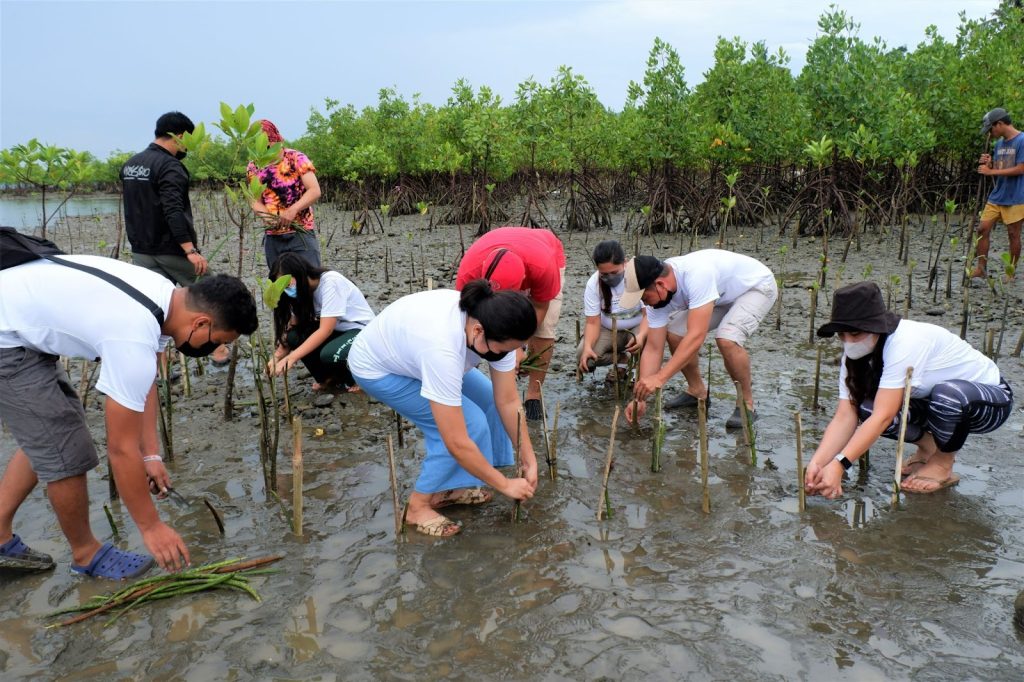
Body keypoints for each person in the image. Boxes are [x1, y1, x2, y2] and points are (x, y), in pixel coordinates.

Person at [0, 255, 258, 577]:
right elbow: (120, 449)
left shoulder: (166, 298)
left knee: (51, 430)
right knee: (65, 450)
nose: (212, 349)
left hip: (19, 319)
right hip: (6, 335)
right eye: (218, 342)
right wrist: (151, 527)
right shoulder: (133, 332)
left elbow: (144, 381)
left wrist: (150, 454)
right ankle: (86, 555)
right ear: (201, 323)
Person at [347, 280, 539, 537]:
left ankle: (457, 485)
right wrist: (504, 484)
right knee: (469, 425)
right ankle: (417, 506)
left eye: (517, 349)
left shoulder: (495, 327)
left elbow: (507, 401)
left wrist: (528, 457)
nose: (513, 355)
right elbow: (456, 440)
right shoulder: (442, 348)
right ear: (478, 331)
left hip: (413, 356)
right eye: (506, 350)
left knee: (490, 404)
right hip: (377, 368)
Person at [805, 282, 1013, 497]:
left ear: (876, 326)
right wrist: (819, 462)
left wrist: (840, 465)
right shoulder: (855, 355)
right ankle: (929, 446)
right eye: (842, 335)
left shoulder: (906, 342)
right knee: (866, 409)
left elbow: (884, 417)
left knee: (948, 396)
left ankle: (943, 463)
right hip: (931, 404)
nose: (848, 342)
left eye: (855, 334)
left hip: (987, 404)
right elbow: (844, 416)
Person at [121, 111, 231, 366]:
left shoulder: (131, 164)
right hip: (170, 248)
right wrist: (189, 249)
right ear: (180, 136)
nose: (188, 149)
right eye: (188, 142)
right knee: (212, 290)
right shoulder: (171, 167)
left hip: (140, 248)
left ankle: (154, 364)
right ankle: (217, 349)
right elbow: (173, 210)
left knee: (155, 306)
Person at [621, 250, 777, 428]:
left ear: (660, 284)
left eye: (644, 297)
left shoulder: (696, 275)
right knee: (674, 333)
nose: (645, 303)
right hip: (721, 295)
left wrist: (660, 378)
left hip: (755, 287)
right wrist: (640, 398)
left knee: (726, 338)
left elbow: (696, 336)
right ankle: (697, 391)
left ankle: (746, 404)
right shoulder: (657, 297)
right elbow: (654, 348)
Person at [455, 226, 566, 420]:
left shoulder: (543, 268)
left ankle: (534, 395)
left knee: (545, 329)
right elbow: (467, 320)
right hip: (507, 255)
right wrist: (510, 350)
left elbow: (540, 308)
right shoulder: (469, 273)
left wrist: (519, 344)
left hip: (546, 254)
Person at [267, 252, 375, 391]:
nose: (287, 290)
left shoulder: (330, 282)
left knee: (330, 354)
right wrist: (276, 358)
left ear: (300, 273)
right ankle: (328, 379)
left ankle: (358, 379)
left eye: (287, 284)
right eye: (283, 287)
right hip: (338, 332)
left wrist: (291, 359)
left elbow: (326, 330)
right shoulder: (300, 293)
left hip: (360, 331)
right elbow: (293, 326)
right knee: (294, 336)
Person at [247, 119, 322, 272]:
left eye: (265, 142)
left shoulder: (296, 158)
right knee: (280, 288)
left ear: (274, 140)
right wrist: (268, 218)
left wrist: (292, 210)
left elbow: (314, 190)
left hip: (301, 232)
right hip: (273, 237)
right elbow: (254, 200)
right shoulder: (254, 166)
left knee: (309, 283)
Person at [577, 240, 648, 384]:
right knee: (585, 356)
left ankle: (639, 371)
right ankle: (622, 359)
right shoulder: (594, 284)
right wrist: (587, 347)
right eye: (604, 274)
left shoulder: (638, 276)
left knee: (646, 342)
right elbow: (592, 321)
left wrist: (641, 336)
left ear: (625, 263)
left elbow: (650, 314)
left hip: (638, 326)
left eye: (614, 272)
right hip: (609, 330)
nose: (610, 277)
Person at [971, 108, 1024, 280]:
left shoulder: (1022, 140)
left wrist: (990, 172)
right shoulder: (999, 144)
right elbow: (1000, 168)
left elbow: (1021, 168)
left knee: (1013, 234)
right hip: (997, 195)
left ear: (1000, 124)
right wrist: (990, 164)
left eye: (991, 129)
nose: (990, 134)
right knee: (982, 229)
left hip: (1016, 196)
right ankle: (981, 268)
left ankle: (1011, 272)